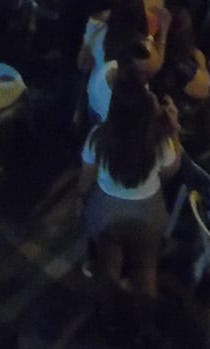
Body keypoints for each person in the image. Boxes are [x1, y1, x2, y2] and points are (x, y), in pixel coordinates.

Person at [78, 75, 181, 300]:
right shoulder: (160, 140)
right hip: (148, 212)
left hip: (104, 211)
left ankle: (109, 309)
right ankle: (144, 312)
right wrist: (174, 129)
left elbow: (86, 178)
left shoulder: (98, 137)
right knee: (146, 267)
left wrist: (83, 200)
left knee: (108, 266)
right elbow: (171, 171)